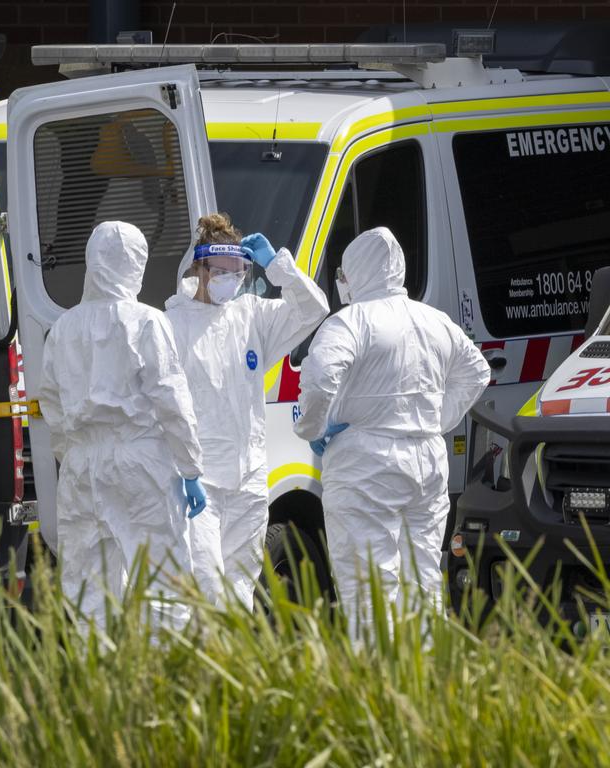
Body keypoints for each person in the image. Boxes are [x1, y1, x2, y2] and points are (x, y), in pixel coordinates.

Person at [294, 227, 489, 641]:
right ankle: (426, 679)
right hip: (427, 461)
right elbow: (477, 372)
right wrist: (438, 421)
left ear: (358, 273)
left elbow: (318, 377)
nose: (341, 284)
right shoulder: (435, 320)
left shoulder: (350, 322)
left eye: (344, 275)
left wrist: (313, 427)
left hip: (365, 464)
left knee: (368, 583)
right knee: (422, 578)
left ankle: (378, 686)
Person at [38, 221, 208, 633]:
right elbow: (171, 399)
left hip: (81, 468)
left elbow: (51, 403)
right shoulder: (147, 322)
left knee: (86, 591)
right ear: (137, 265)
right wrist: (191, 469)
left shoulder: (62, 329)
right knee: (163, 582)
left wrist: (73, 454)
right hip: (140, 463)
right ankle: (161, 685)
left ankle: (94, 685)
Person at [166, 214, 329, 609]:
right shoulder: (173, 324)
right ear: (200, 269)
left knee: (240, 587)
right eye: (220, 270)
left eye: (238, 269)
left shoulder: (251, 315)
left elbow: (314, 308)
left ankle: (232, 667)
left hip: (249, 479)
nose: (231, 278)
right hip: (199, 483)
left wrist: (278, 267)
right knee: (203, 585)